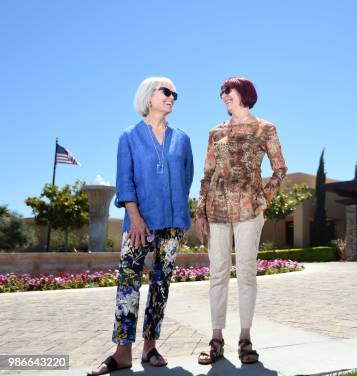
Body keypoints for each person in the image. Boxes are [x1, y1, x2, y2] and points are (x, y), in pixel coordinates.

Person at [88, 77, 194, 376]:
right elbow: (125, 181)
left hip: (173, 225)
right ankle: (122, 353)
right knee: (128, 285)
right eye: (167, 92)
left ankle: (150, 347)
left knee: (161, 286)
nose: (172, 96)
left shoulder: (182, 139)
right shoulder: (129, 137)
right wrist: (135, 218)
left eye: (175, 93)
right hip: (138, 225)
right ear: (149, 97)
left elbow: (185, 179)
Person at [195, 76, 287, 365]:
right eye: (222, 92)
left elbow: (280, 169)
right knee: (218, 274)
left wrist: (262, 200)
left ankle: (245, 339)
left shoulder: (265, 129)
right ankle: (216, 339)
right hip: (217, 211)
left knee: (246, 274)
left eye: (229, 91)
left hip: (250, 212)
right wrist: (200, 210)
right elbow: (207, 173)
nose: (224, 96)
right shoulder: (215, 133)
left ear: (244, 93)